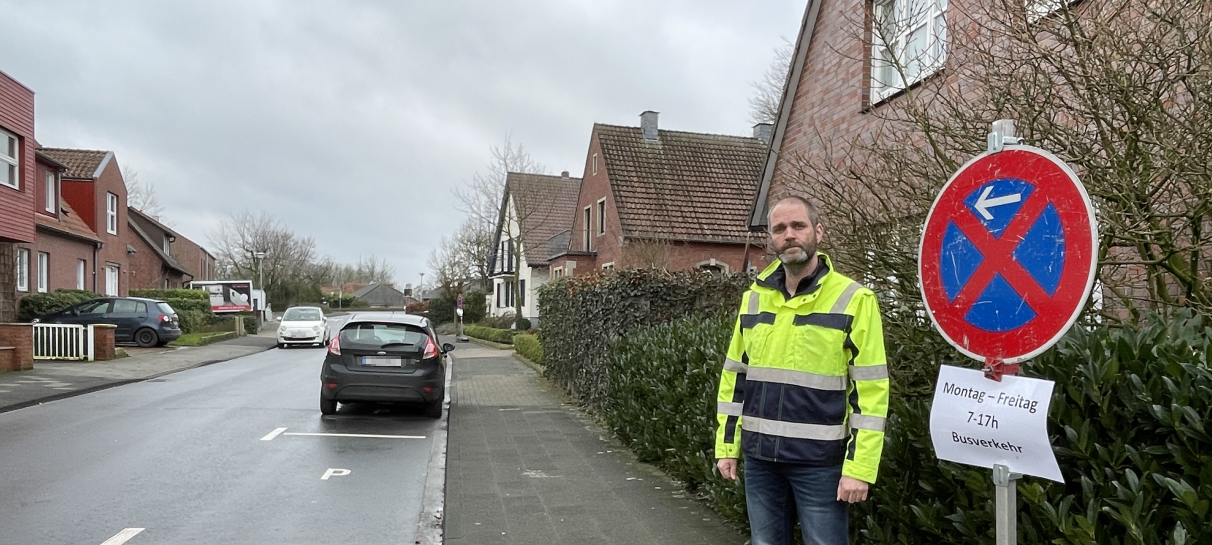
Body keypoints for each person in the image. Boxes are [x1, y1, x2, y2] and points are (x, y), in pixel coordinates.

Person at [715, 196, 890, 545]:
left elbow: (870, 391)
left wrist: (859, 468)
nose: (789, 235)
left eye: (798, 226)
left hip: (819, 464)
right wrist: (727, 446)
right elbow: (735, 378)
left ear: (818, 232)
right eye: (780, 229)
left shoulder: (855, 299)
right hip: (761, 460)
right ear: (771, 238)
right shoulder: (754, 298)